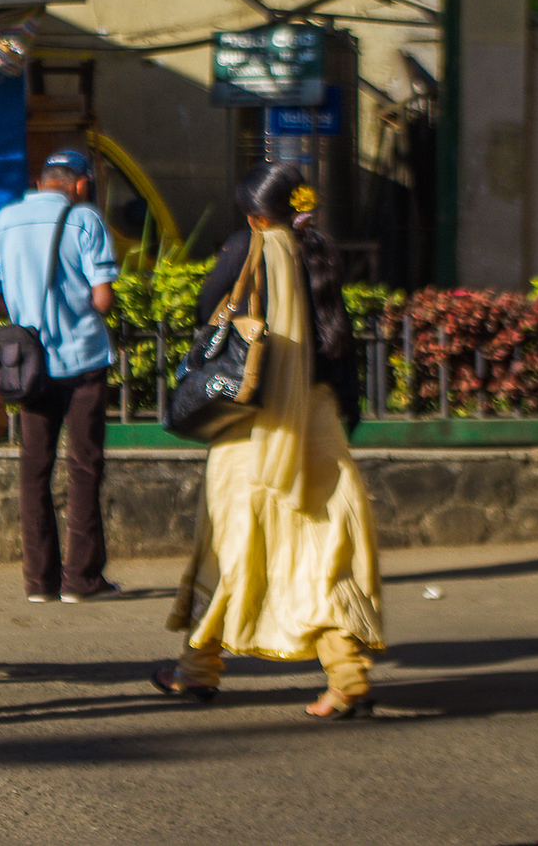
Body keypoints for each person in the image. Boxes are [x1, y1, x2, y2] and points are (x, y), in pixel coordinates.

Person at [153, 161, 383, 720]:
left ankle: (197, 669)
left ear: (257, 216)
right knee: (322, 555)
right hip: (319, 424)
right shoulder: (320, 252)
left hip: (255, 427)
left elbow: (210, 311)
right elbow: (340, 351)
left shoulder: (249, 247)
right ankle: (347, 677)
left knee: (233, 547)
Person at [0, 149, 120, 604]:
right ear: (79, 184)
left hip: (30, 365)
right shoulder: (86, 220)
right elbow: (102, 300)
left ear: (42, 182)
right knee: (84, 467)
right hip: (83, 360)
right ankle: (82, 580)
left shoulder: (4, 221)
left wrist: (25, 309)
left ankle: (40, 582)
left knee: (33, 471)